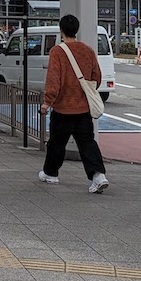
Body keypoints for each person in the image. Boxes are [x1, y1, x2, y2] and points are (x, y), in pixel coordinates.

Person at [38, 13, 110, 192]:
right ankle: (98, 175)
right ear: (76, 30)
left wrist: (47, 102)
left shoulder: (57, 52)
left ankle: (51, 173)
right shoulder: (88, 50)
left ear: (61, 30)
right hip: (83, 107)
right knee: (87, 143)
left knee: (56, 142)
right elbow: (97, 78)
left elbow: (54, 80)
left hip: (63, 108)